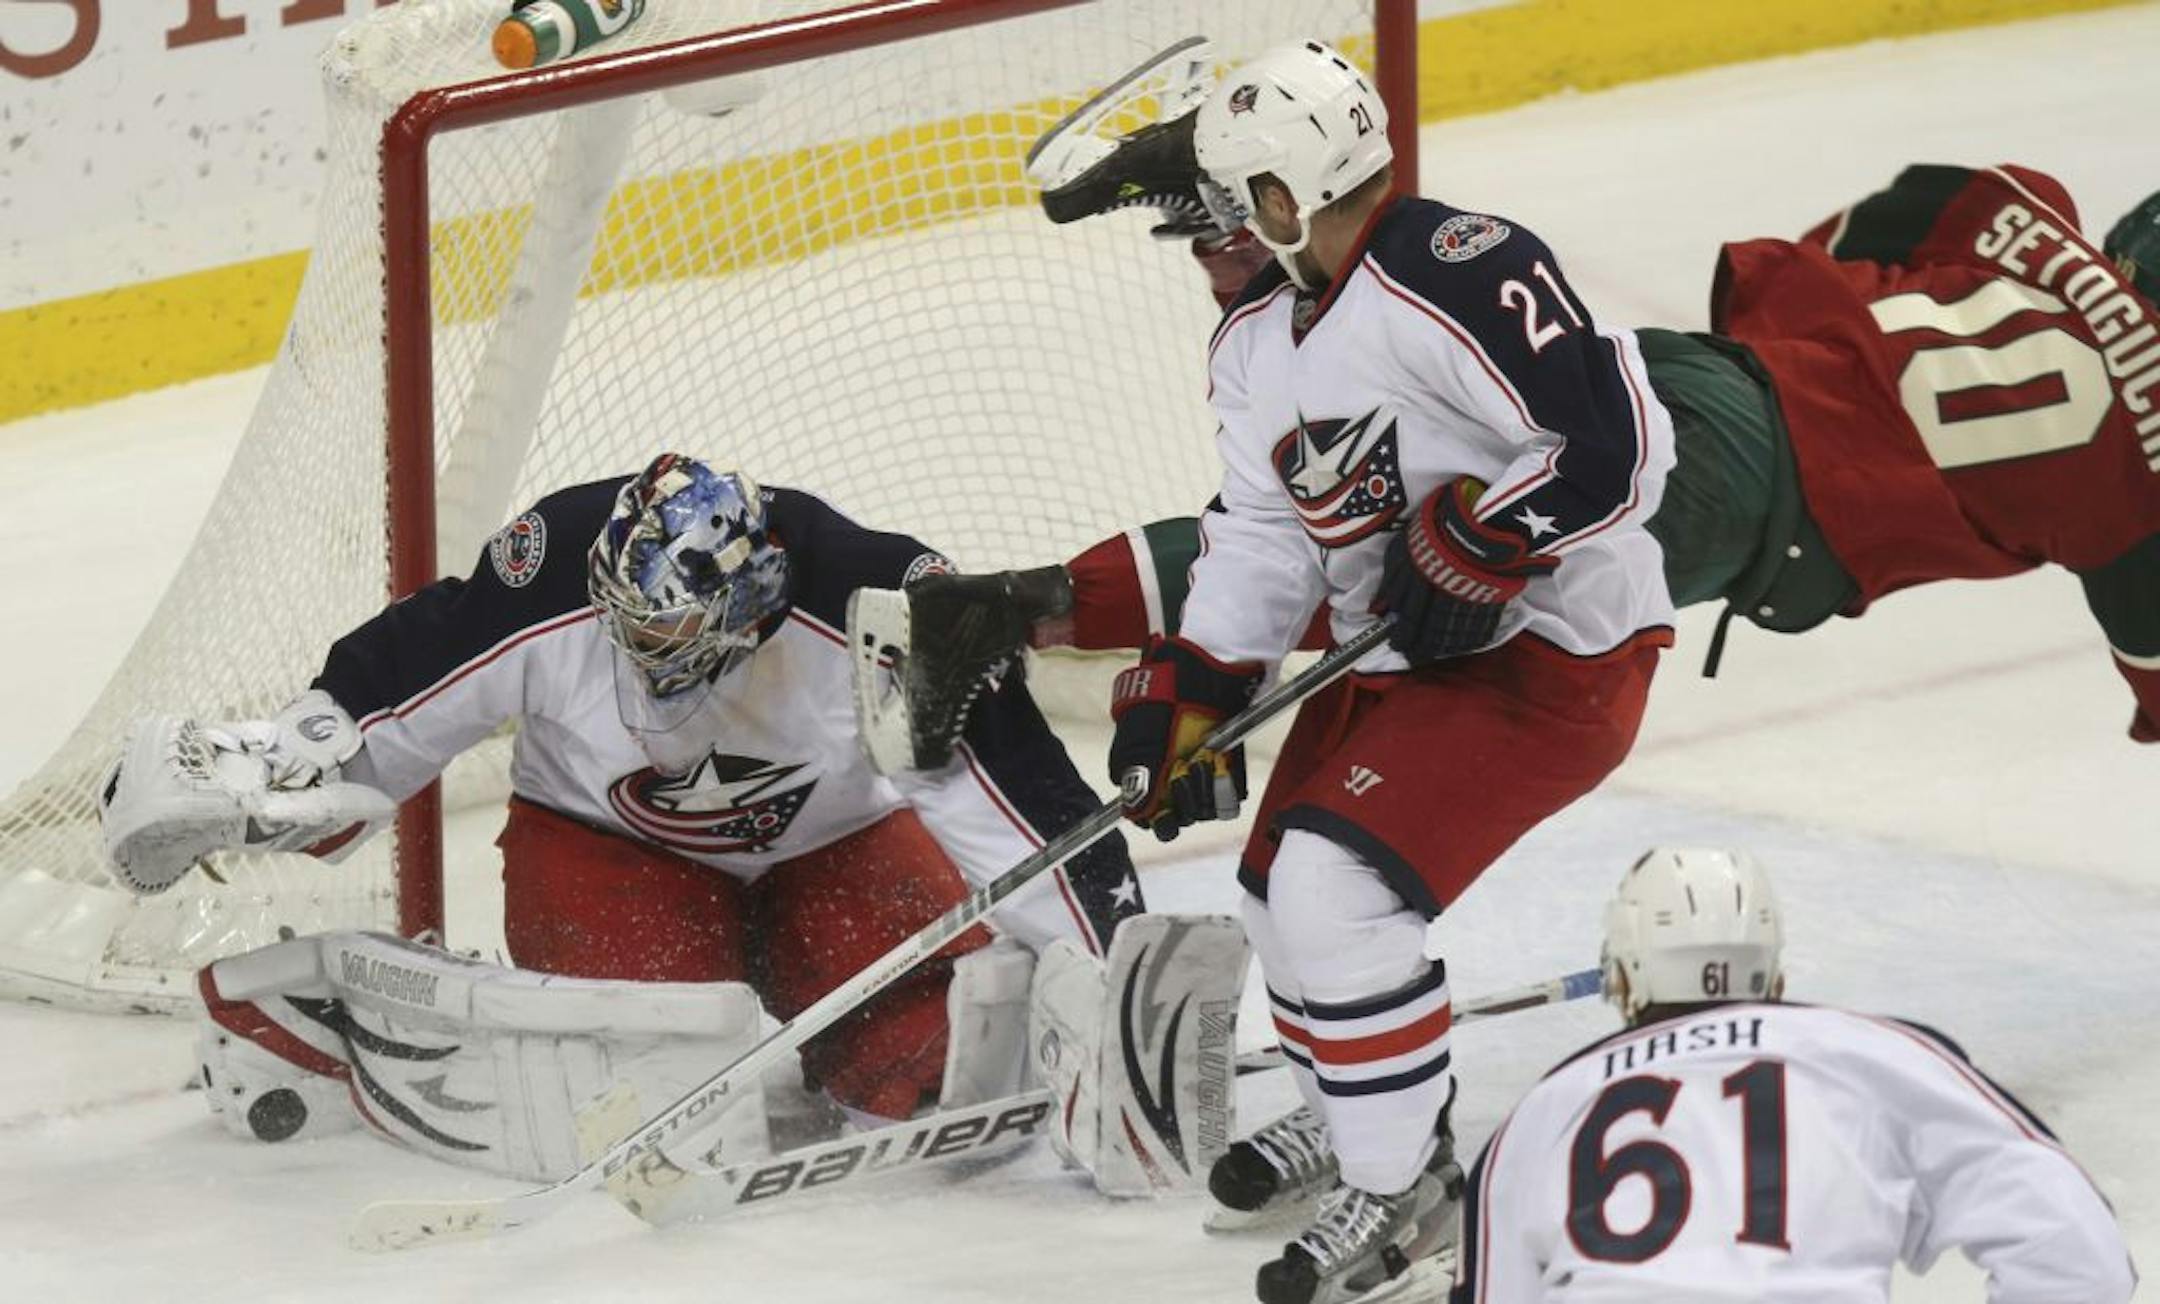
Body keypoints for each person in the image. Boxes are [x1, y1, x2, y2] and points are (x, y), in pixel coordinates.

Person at [1095, 40, 1676, 1304]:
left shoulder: (1456, 269)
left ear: (1282, 195)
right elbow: (1259, 536)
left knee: (1334, 893)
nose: (1218, 239)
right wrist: (1194, 677)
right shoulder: (1258, 339)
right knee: (1269, 892)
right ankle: (1353, 1116)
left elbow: (1621, 445)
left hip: (1555, 653)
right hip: (1410, 660)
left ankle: (1411, 1189)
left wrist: (1491, 529)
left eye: (1229, 207)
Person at [102, 453, 1144, 1130]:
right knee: (656, 1096)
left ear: (752, 602)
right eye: (625, 621)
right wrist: (276, 775)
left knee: (947, 1063)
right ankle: (347, 1023)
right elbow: (401, 691)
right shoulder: (555, 571)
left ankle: (833, 998)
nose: (635, 649)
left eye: (668, 634)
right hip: (611, 852)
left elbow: (1023, 805)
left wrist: (1111, 983)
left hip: (837, 847)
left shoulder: (883, 605)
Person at [1450, 847, 2137, 1303]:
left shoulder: (1546, 1108)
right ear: (1774, 972)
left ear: (1623, 973)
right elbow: (2079, 1256)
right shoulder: (1877, 1055)